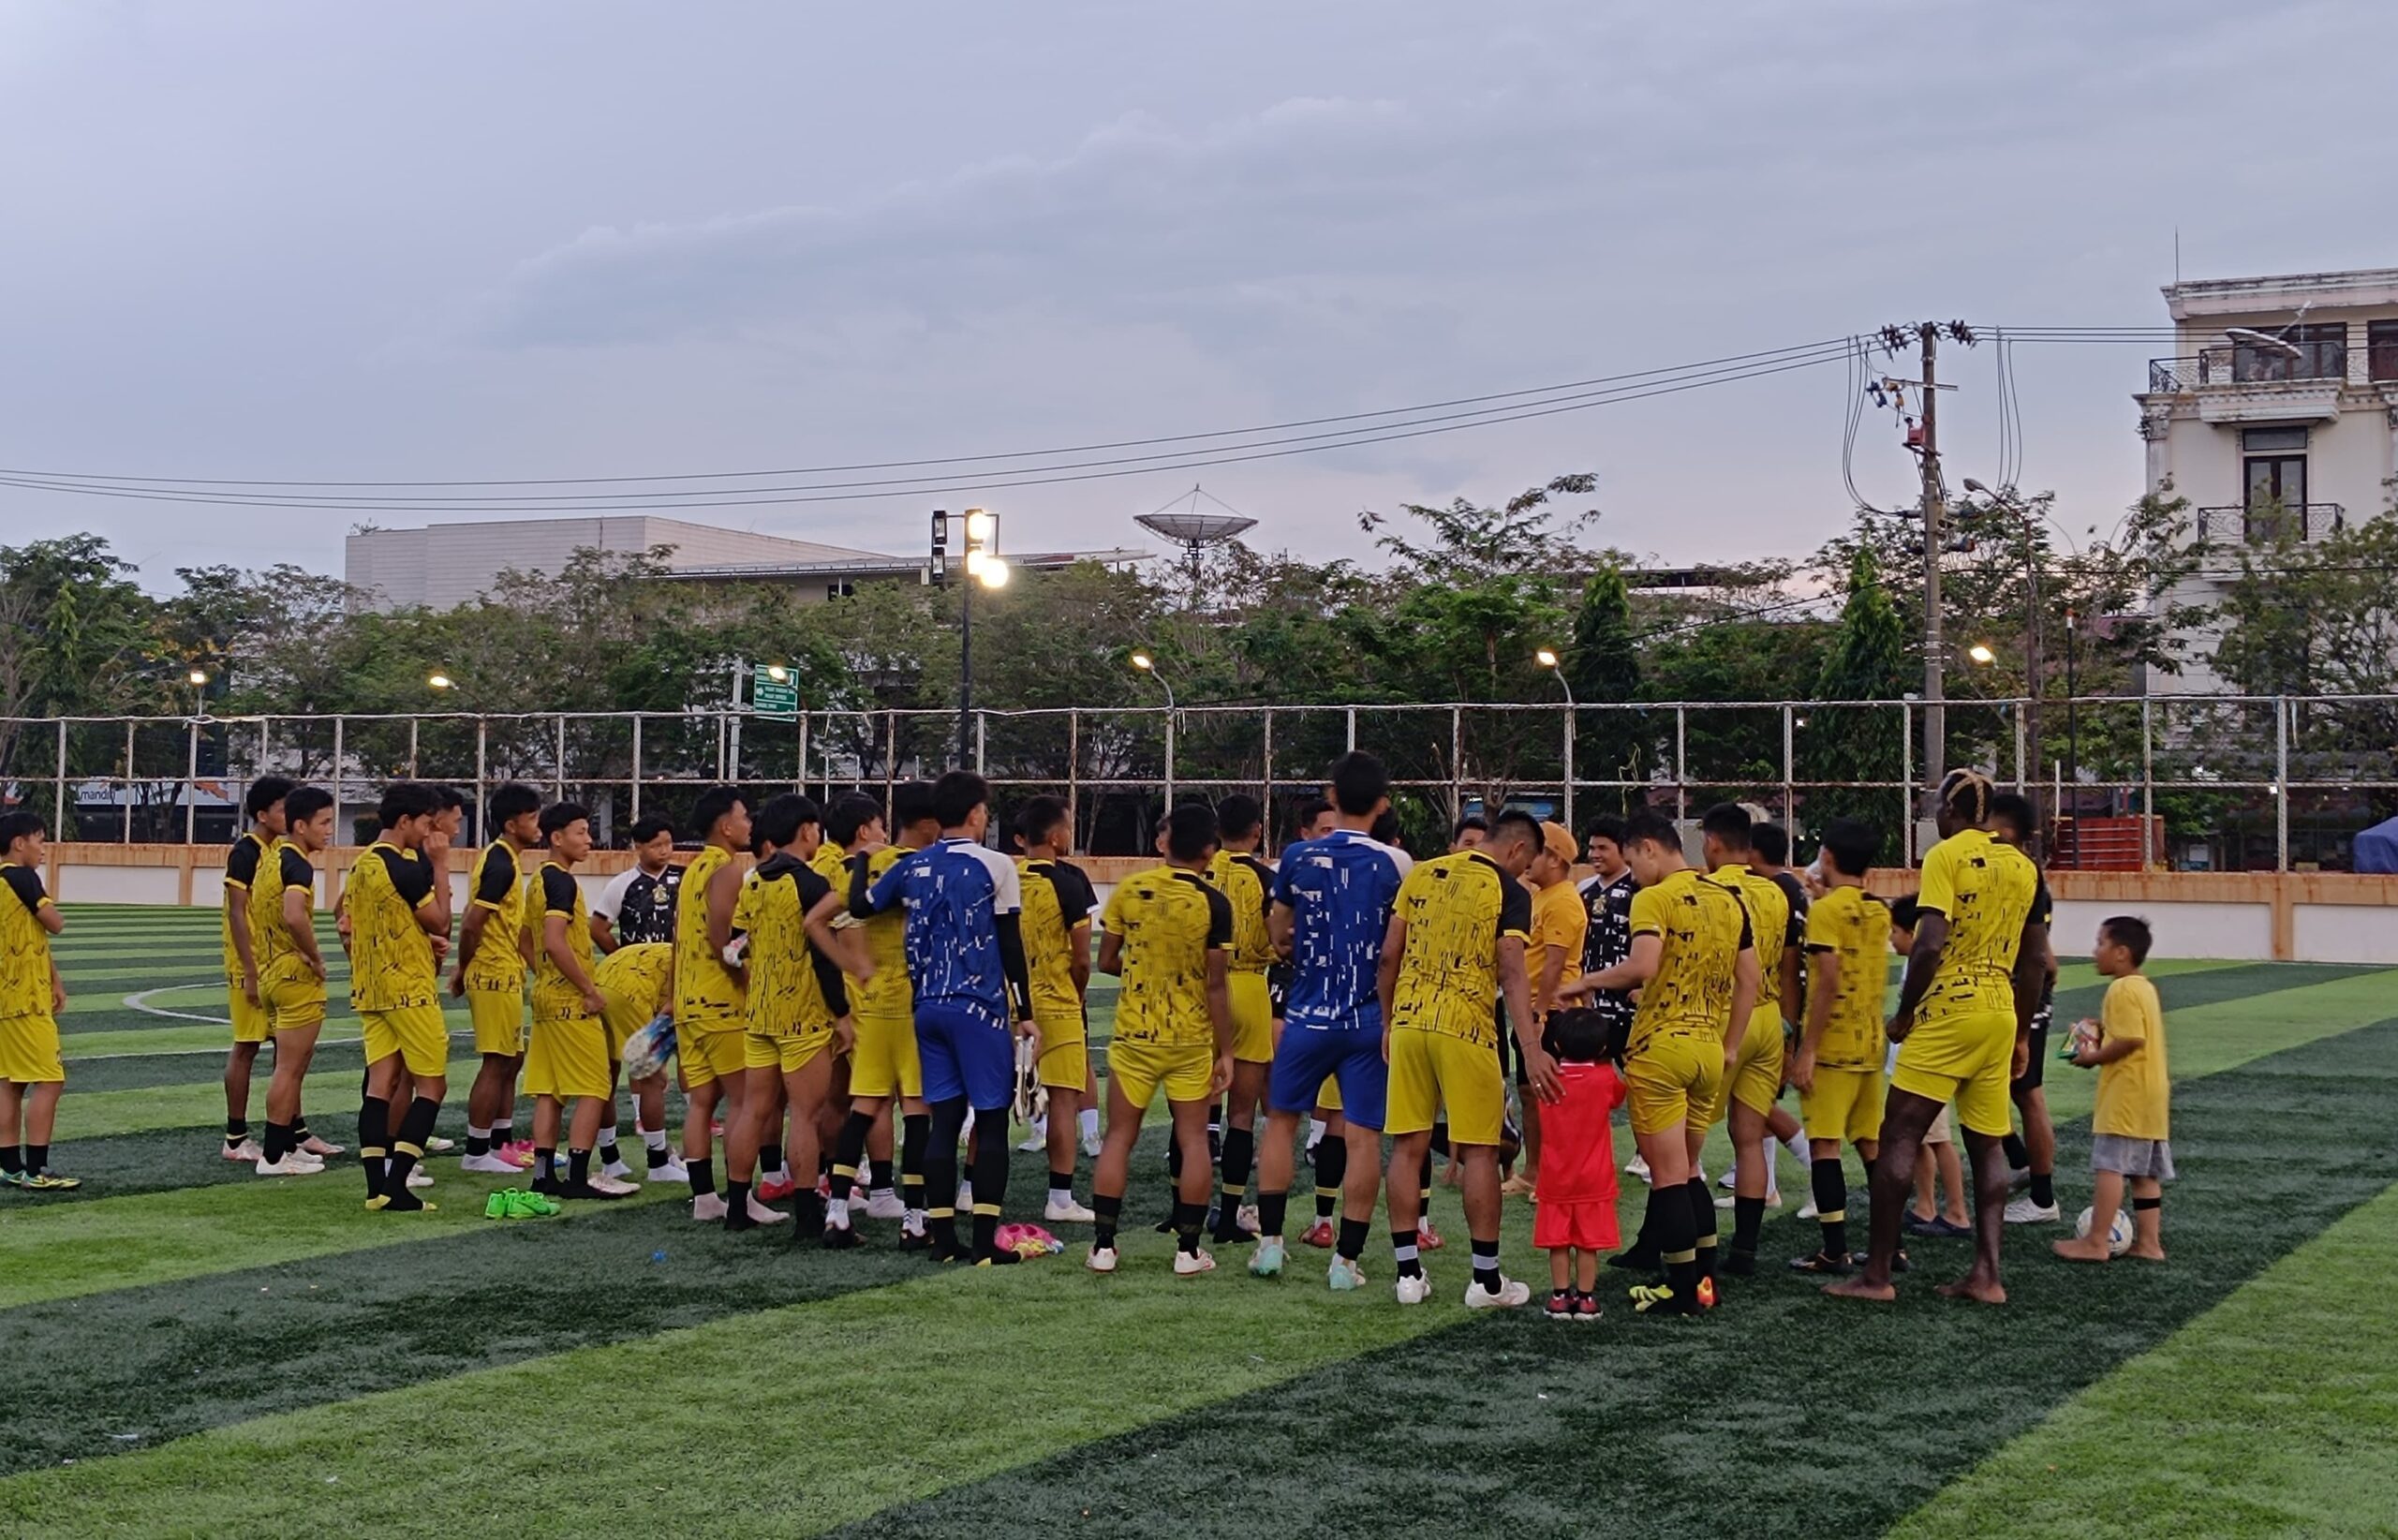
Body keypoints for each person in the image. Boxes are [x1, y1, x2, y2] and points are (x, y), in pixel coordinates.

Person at [1828, 769, 2044, 1306]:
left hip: (1949, 1007)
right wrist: (2019, 1033)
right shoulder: (2023, 867)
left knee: (1900, 1134)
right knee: (1988, 1142)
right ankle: (1988, 1275)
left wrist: (1904, 1015)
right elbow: (2036, 961)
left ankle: (1877, 1275)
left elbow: (1927, 947)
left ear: (1950, 811)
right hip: (1998, 1007)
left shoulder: (1946, 856)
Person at [1560, 809, 1759, 1316]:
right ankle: (1705, 1280)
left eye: (1632, 861)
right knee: (1691, 1168)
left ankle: (1681, 1288)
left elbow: (1642, 966)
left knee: (1668, 1174)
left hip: (1661, 1050)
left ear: (1649, 848)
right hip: (1708, 1047)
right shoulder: (1728, 898)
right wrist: (1731, 1043)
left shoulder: (1654, 898)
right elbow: (1750, 980)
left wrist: (1584, 982)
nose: (1633, 873)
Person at [1381, 807, 1560, 1310]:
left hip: (1411, 1023)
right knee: (1480, 1149)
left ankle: (1407, 1276)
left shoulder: (1421, 873)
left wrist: (1387, 1021)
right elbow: (1511, 969)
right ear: (1519, 850)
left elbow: (1389, 954)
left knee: (1407, 1145)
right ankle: (1485, 1281)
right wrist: (1530, 1047)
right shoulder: (1510, 891)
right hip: (1467, 1028)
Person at [856, 770, 1036, 1266]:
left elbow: (864, 904)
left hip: (926, 1007)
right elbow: (1010, 943)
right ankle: (983, 1243)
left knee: (943, 1121)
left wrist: (861, 862)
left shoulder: (913, 865)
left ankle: (942, 1240)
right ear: (978, 814)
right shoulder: (996, 864)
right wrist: (1025, 1013)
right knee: (993, 1121)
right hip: (977, 1007)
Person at [1251, 751, 1408, 1288]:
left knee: (1281, 1123)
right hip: (1367, 1018)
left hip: (1306, 1015)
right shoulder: (1397, 863)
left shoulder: (1297, 856)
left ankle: (1270, 1246)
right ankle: (1346, 1262)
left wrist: (1291, 946)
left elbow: (1278, 930)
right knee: (1364, 1137)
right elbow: (1396, 945)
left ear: (1332, 797)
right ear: (1383, 804)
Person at [1087, 803, 1238, 1277]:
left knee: (1118, 1138)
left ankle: (1104, 1247)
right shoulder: (1214, 903)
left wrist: (1141, 972)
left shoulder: (1131, 891)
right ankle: (1189, 1252)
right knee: (1194, 1140)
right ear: (1210, 850)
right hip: (1190, 1039)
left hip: (1135, 1035)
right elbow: (1217, 985)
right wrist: (1227, 1050)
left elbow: (1106, 962)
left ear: (1163, 843)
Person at [731, 793, 865, 1236]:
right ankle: (808, 1213)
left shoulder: (753, 881)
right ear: (806, 830)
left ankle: (737, 1205)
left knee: (754, 1110)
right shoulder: (810, 885)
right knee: (805, 1115)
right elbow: (825, 958)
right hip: (803, 1015)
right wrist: (841, 1013)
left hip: (760, 1012)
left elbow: (737, 944)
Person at [825, 785, 937, 1242]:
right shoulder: (915, 866)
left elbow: (818, 920)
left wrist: (855, 966)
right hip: (908, 1000)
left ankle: (837, 1213)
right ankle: (914, 1219)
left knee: (864, 1108)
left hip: (870, 1003)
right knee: (915, 1109)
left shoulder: (861, 864)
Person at [1785, 817, 1891, 1273]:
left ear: (1826, 856)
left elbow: (1827, 982)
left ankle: (1834, 1249)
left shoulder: (1825, 913)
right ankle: (1892, 1245)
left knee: (1825, 1146)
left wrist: (1806, 1050)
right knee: (1871, 1145)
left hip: (1833, 1047)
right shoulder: (1878, 909)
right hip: (1870, 1045)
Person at [1696, 803, 1798, 1276]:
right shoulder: (1776, 893)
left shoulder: (1706, 889)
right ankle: (1746, 1251)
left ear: (1714, 842)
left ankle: (1693, 1247)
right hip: (1770, 1019)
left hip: (1723, 1017)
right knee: (1750, 1137)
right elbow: (1786, 968)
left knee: (1687, 1140)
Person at [520, 802, 638, 1202]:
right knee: (594, 1086)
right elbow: (554, 940)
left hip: (545, 999)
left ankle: (542, 1175)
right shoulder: (562, 882)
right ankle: (576, 1176)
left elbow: (525, 940)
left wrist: (547, 976)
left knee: (550, 1091)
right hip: (571, 1001)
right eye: (581, 832)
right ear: (557, 838)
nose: (589, 840)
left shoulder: (538, 880)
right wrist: (588, 988)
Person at [350, 783, 455, 1213]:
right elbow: (442, 922)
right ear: (405, 820)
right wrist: (442, 865)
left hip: (371, 988)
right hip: (408, 990)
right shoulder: (405, 866)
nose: (428, 834)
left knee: (380, 1085)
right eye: (426, 824)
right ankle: (398, 1185)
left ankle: (377, 1188)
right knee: (432, 1086)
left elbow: (347, 920)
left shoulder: (362, 863)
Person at [2056, 916, 2171, 1264]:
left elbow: (2131, 1039)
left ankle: (2096, 1241)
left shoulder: (2120, 989)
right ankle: (2150, 1244)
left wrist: (2092, 1057)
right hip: (2152, 1094)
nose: (2095, 952)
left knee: (2110, 1166)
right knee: (2144, 1173)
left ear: (2121, 953)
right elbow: (2134, 1031)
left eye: (2100, 944)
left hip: (2126, 1093)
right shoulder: (2143, 987)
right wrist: (2097, 1030)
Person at [1014, 796, 1101, 1224]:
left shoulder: (1004, 876)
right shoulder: (1070, 881)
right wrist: (1076, 994)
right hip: (1057, 1001)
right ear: (1055, 836)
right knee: (1064, 1100)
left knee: (992, 1100)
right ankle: (1060, 1199)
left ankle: (971, 1190)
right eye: (1068, 828)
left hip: (1010, 1002)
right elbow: (1082, 959)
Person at [674, 785, 752, 1222]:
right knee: (745, 1103)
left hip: (689, 1001)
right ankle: (743, 1197)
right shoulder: (725, 870)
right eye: (744, 816)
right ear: (726, 825)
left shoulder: (691, 869)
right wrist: (747, 980)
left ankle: (704, 1198)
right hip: (720, 1004)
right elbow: (724, 938)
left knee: (701, 1101)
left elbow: (679, 939)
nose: (749, 823)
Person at [455, 784, 541, 1176]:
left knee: (512, 1057)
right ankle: (476, 1151)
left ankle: (501, 1143)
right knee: (496, 1061)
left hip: (503, 971)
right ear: (511, 823)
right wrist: (462, 968)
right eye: (533, 817)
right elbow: (472, 922)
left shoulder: (504, 858)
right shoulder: (501, 864)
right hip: (491, 974)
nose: (538, 824)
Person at [1206, 792, 1280, 1244]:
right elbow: (1281, 937)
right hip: (1250, 987)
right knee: (1241, 1115)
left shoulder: (1202, 870)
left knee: (1191, 1110)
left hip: (1201, 990)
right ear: (1257, 831)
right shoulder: (1266, 878)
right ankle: (1231, 1212)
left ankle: (1184, 1211)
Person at [253, 786, 336, 1177]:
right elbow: (294, 915)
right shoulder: (297, 864)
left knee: (291, 1066)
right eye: (324, 822)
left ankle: (285, 1144)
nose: (330, 830)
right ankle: (273, 1156)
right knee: (288, 1067)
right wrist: (315, 957)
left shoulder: (270, 859)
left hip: (271, 970)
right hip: (293, 975)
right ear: (300, 826)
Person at [1988, 792, 2063, 1224]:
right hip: (2009, 996)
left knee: (2028, 1093)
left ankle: (2042, 1198)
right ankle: (2020, 1162)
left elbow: (2043, 960)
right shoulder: (2020, 873)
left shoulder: (2022, 875)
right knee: (2000, 1089)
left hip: (2022, 998)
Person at [1503, 822, 1588, 1197]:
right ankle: (1534, 1171)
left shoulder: (1564, 901)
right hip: (1534, 1010)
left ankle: (1555, 1174)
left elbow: (1554, 964)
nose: (1526, 859)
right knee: (1529, 1093)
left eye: (1535, 851)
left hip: (1552, 1013)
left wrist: (1538, 1015)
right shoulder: (1541, 896)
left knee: (1552, 1097)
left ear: (1554, 859)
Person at [220, 776, 294, 1163]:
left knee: (289, 1047)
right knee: (247, 1046)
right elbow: (236, 911)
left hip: (274, 962)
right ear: (262, 814)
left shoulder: (278, 850)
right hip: (250, 964)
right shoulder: (246, 851)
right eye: (283, 809)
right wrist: (249, 969)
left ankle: (295, 1133)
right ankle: (235, 1138)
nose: (288, 816)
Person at [1535, 1009, 1625, 1321]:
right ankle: (1586, 1298)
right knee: (1588, 1243)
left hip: (1554, 1177)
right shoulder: (1604, 1079)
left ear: (1557, 1045)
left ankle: (1560, 1296)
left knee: (1558, 1241)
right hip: (1594, 1178)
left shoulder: (1546, 1078)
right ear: (1602, 1048)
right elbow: (1618, 1097)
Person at [0, 812, 74, 1191]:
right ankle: (36, 1170)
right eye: (39, 840)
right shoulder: (21, 876)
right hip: (24, 999)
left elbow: (29, 935)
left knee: (10, 1082)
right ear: (19, 843)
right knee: (49, 1080)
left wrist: (55, 979)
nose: (42, 849)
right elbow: (54, 922)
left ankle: (9, 1165)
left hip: (5, 997)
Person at [1747, 821, 1818, 1207]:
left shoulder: (1779, 891)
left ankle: (1815, 1172)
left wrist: (1789, 1032)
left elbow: (1789, 966)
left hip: (1779, 1011)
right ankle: (1767, 1186)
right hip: (1780, 1009)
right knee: (1756, 1099)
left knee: (1759, 1101)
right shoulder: (1789, 887)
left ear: (1753, 853)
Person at [1576, 816, 1641, 1180]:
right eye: (1592, 847)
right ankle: (1595, 1153)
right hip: (1594, 1005)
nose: (1594, 854)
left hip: (1630, 1003)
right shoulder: (1584, 890)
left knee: (1639, 1078)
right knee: (1593, 1081)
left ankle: (1645, 1149)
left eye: (1603, 847)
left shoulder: (1639, 890)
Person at [592, 937, 686, 1183]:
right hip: (632, 989)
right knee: (652, 1079)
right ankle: (658, 1164)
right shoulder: (700, 965)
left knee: (606, 1076)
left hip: (601, 978)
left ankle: (610, 1160)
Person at [591, 816, 680, 952]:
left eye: (668, 844)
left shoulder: (685, 878)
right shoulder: (621, 884)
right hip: (639, 969)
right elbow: (598, 930)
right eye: (656, 846)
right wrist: (623, 960)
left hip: (682, 967)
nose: (664, 851)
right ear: (638, 848)